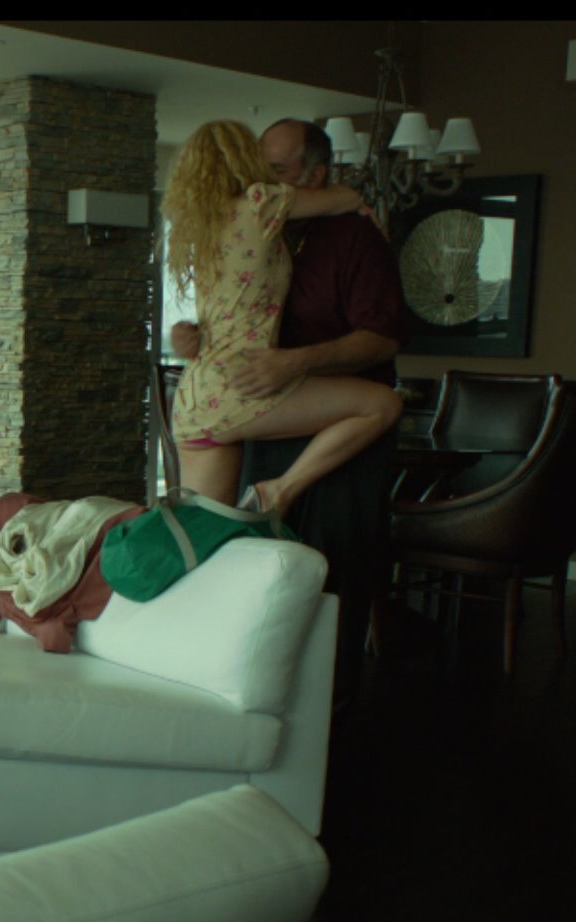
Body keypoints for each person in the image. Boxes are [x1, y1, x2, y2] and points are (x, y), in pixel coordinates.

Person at [173, 118, 411, 705]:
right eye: (260, 168)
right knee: (215, 551)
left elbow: (382, 339)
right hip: (255, 417)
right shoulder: (259, 218)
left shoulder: (352, 239)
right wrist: (192, 335)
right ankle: (208, 687)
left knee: (329, 582)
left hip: (330, 441)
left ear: (314, 175)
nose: (263, 178)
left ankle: (327, 715)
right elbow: (233, 307)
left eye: (276, 170)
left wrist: (294, 363)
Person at [161, 119, 403, 519]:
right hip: (240, 390)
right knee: (384, 404)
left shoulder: (204, 225)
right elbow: (343, 196)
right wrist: (361, 205)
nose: (266, 175)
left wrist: (193, 333)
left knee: (202, 538)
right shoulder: (261, 202)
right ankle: (278, 491)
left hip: (197, 398)